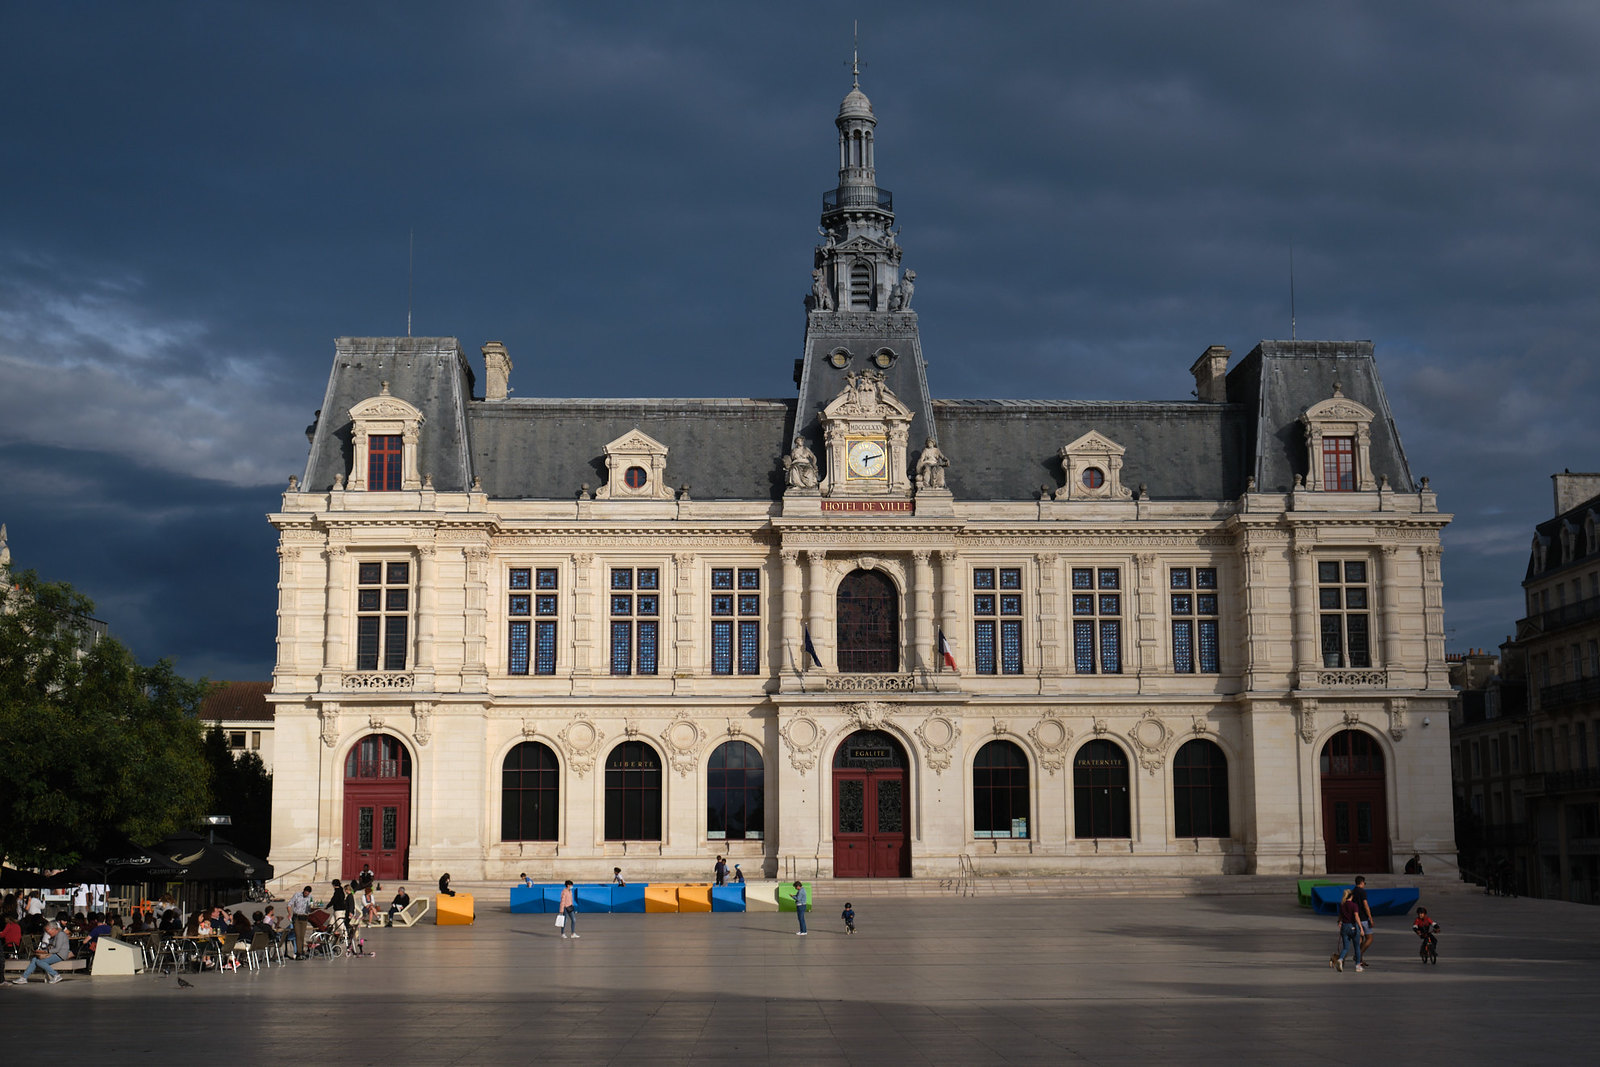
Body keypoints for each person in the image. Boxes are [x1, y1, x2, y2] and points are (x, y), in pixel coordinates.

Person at [11, 919, 71, 983]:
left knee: (39, 962)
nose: (47, 933)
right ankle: (24, 977)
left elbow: (57, 949)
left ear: (53, 929)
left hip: (60, 955)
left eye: (48, 931)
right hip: (54, 953)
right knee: (34, 959)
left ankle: (56, 975)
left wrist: (45, 952)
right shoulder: (55, 936)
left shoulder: (60, 934)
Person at [1329, 889, 1363, 973]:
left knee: (1345, 948)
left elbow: (1340, 915)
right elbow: (1356, 917)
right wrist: (1361, 928)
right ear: (1351, 896)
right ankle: (1358, 966)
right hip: (1353, 926)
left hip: (1344, 927)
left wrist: (1339, 921)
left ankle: (1340, 959)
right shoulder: (1354, 905)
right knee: (1357, 948)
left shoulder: (1342, 905)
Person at [1351, 875, 1376, 962]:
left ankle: (1360, 959)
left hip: (1355, 918)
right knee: (1369, 938)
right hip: (1363, 918)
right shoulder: (1362, 892)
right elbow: (1365, 905)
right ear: (1361, 883)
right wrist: (1371, 918)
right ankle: (1358, 955)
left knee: (1360, 939)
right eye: (1364, 883)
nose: (1364, 885)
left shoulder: (1353, 891)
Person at [289, 885, 313, 960]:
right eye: (306, 893)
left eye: (308, 893)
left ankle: (301, 951)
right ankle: (299, 952)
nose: (306, 894)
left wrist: (312, 908)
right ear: (304, 891)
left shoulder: (310, 897)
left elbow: (310, 908)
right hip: (297, 917)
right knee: (297, 935)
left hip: (304, 917)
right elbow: (289, 904)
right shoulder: (297, 895)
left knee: (302, 935)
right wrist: (289, 914)